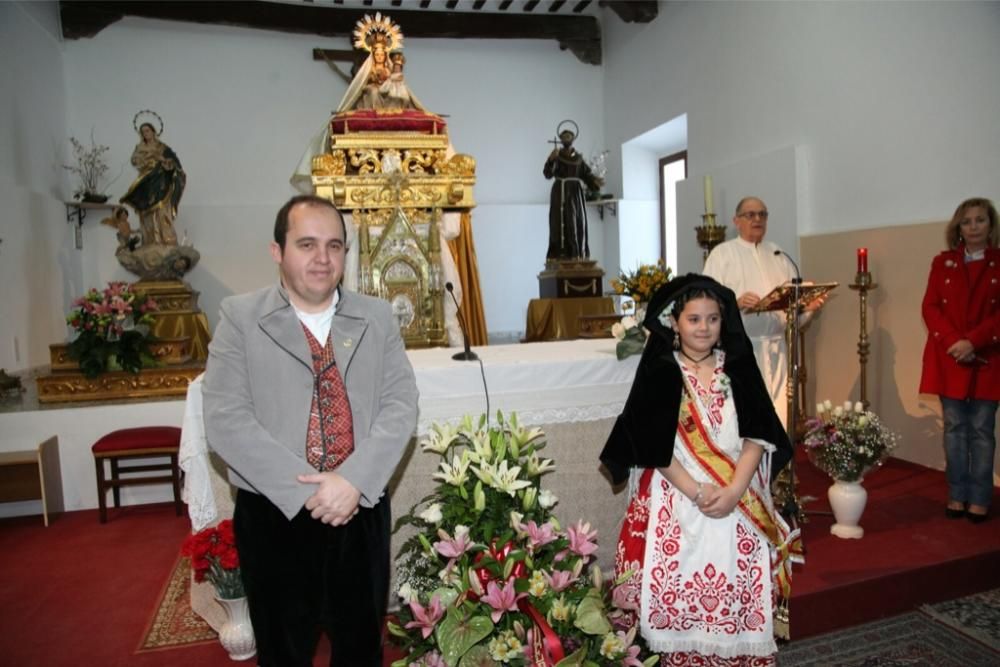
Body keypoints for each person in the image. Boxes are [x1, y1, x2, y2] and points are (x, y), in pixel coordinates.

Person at [202, 194, 419, 666]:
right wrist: (308, 492)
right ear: (277, 251)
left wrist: (354, 480)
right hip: (275, 515)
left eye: (334, 246)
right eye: (306, 244)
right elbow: (225, 419)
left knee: (360, 646)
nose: (323, 258)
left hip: (357, 512)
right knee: (284, 651)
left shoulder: (377, 317)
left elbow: (400, 405)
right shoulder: (241, 318)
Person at [601, 273, 799, 664]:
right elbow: (652, 446)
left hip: (737, 498)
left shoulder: (737, 367)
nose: (704, 327)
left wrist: (736, 490)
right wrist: (697, 491)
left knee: (734, 591)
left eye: (713, 318)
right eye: (694, 319)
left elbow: (758, 434)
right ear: (674, 322)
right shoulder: (661, 370)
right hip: (678, 497)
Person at [703, 196, 823, 426]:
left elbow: (790, 313)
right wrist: (735, 304)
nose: (757, 219)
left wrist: (807, 309)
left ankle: (775, 461)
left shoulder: (777, 254)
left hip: (778, 348)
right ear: (736, 221)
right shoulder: (722, 254)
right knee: (743, 415)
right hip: (741, 350)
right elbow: (706, 304)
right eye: (750, 214)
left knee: (777, 413)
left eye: (762, 214)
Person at [919, 197, 1000, 524]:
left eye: (980, 220)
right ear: (958, 228)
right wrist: (955, 341)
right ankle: (957, 494)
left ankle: (979, 498)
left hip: (988, 360)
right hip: (950, 359)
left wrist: (974, 341)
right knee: (954, 429)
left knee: (981, 430)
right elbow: (930, 307)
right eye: (967, 222)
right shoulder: (943, 263)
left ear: (991, 226)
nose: (974, 227)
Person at [120, 122, 186, 246]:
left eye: (148, 130)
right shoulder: (140, 148)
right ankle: (151, 241)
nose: (146, 133)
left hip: (161, 181)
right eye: (143, 132)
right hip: (147, 181)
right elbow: (135, 161)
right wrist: (147, 158)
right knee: (147, 212)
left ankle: (167, 240)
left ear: (153, 131)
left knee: (162, 210)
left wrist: (164, 160)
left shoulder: (162, 147)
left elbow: (175, 164)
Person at [543, 129, 603, 261]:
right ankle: (558, 254)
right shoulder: (556, 156)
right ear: (560, 139)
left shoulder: (579, 159)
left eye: (568, 136)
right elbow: (547, 174)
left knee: (576, 222)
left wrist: (594, 181)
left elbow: (586, 175)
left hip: (575, 194)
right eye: (563, 137)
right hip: (559, 192)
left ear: (573, 139)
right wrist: (551, 159)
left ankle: (577, 254)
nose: (566, 139)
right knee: (558, 222)